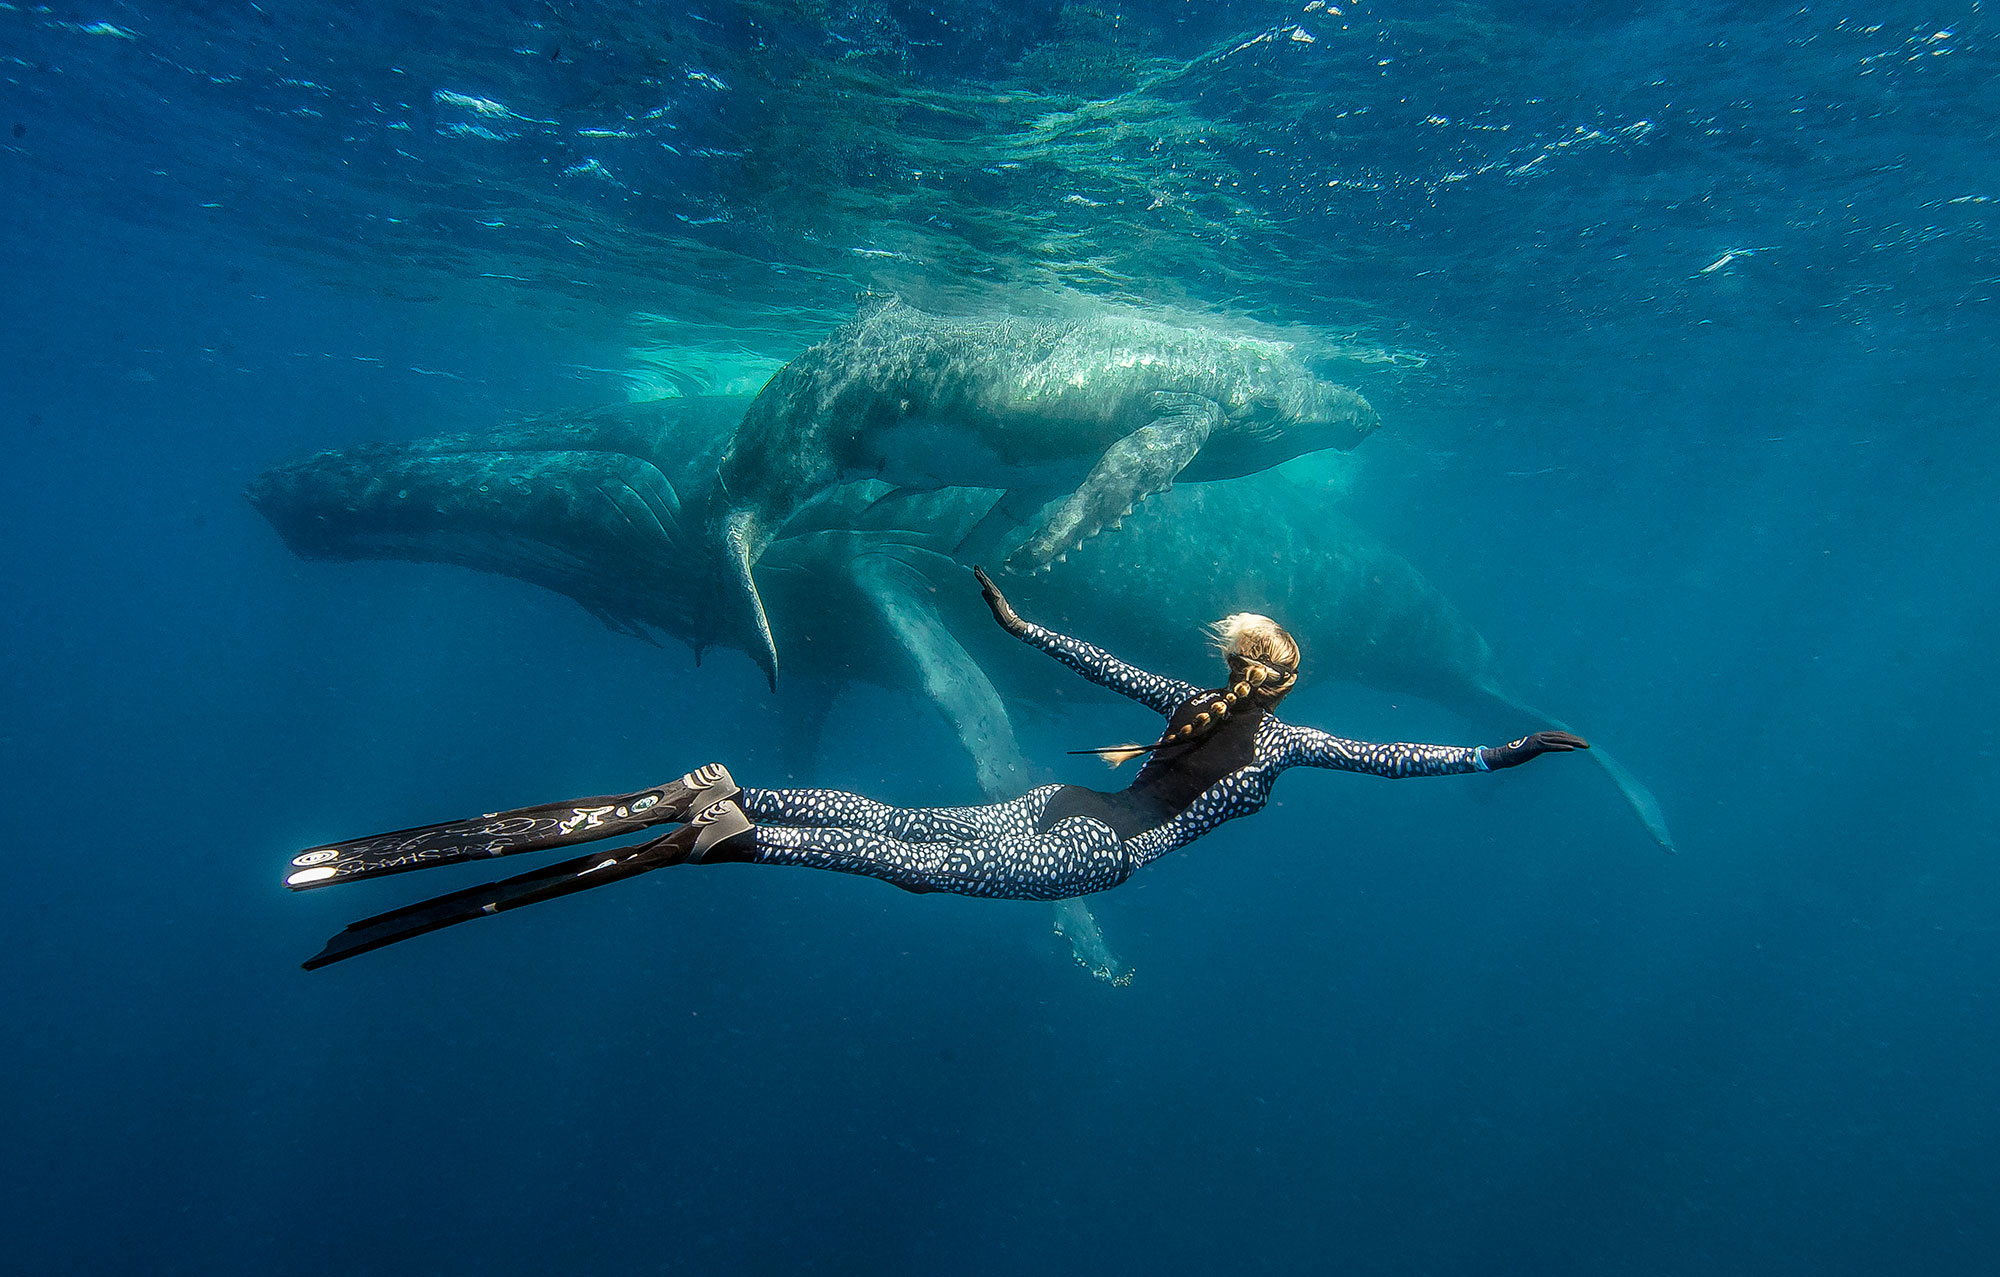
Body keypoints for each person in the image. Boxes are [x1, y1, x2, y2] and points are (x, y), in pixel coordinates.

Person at [285, 568, 1586, 968]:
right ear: (1291, 690)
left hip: (1052, 801)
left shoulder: (1186, 697)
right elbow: (1403, 760)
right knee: (898, 860)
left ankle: (728, 794)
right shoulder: (1294, 739)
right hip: (1096, 851)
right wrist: (1501, 747)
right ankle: (731, 833)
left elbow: (1088, 659)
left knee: (904, 827)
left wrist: (1019, 625)